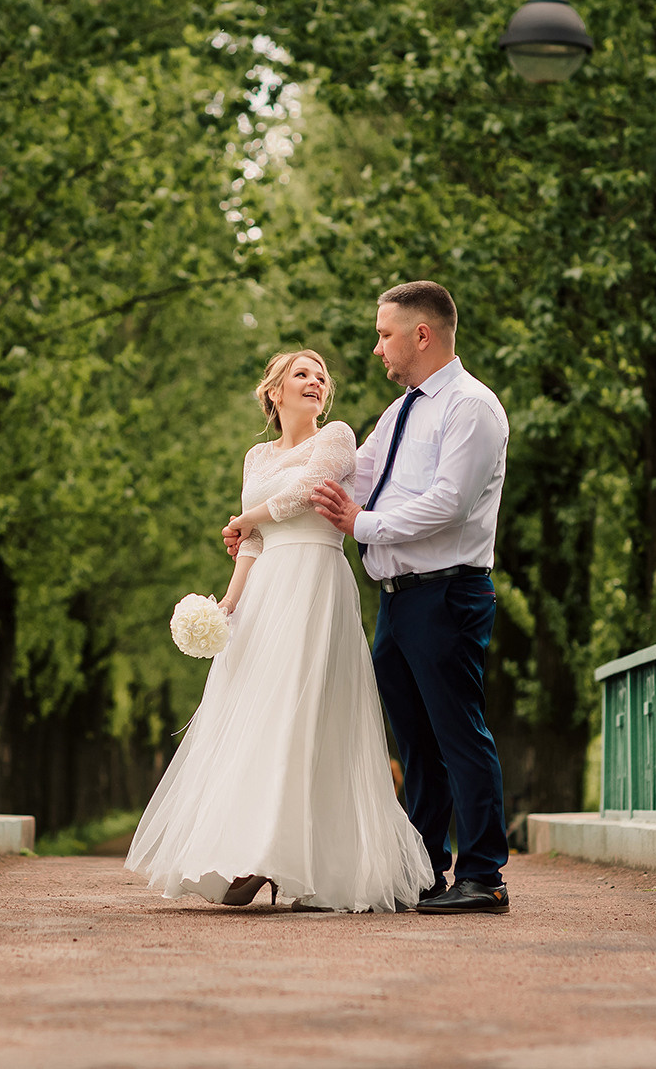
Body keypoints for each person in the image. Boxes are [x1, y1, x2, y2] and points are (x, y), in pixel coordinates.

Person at [125, 349, 435, 913]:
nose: (315, 382)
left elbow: (304, 496)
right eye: (302, 374)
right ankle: (254, 850)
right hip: (267, 590)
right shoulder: (256, 456)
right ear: (275, 392)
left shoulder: (336, 438)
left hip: (316, 581)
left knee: (311, 717)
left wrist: (247, 518)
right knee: (256, 717)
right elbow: (253, 544)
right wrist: (229, 603)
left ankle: (309, 863)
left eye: (321, 376)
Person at [307, 281, 512, 915]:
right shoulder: (399, 413)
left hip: (448, 593)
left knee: (459, 735)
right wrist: (271, 505)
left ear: (422, 335)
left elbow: (447, 506)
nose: (376, 348)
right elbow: (355, 476)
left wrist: (360, 525)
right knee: (417, 745)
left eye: (384, 333)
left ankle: (484, 876)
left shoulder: (471, 408)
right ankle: (424, 869)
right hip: (396, 598)